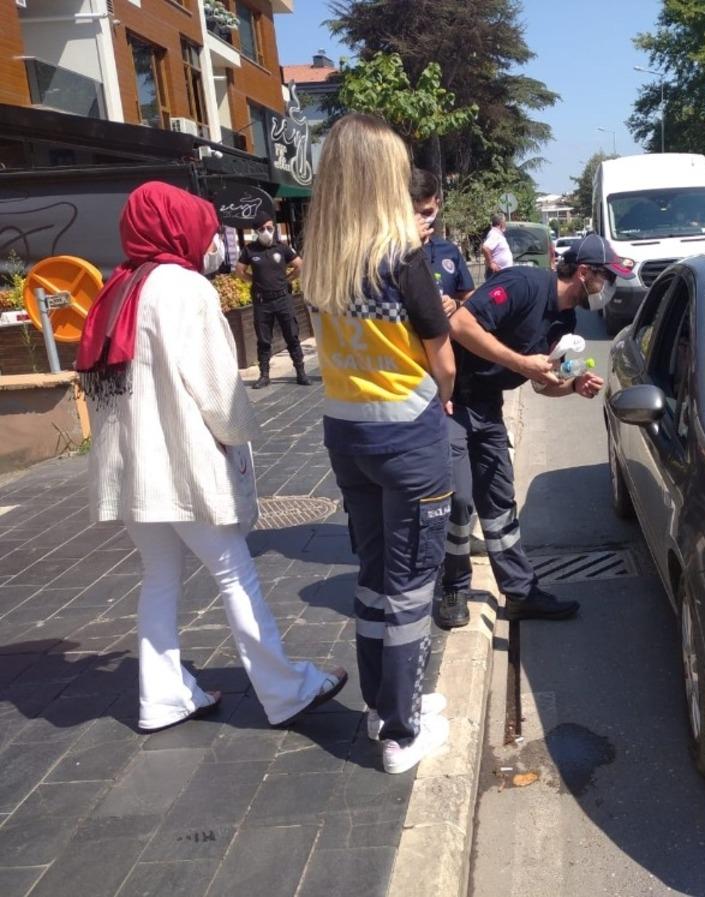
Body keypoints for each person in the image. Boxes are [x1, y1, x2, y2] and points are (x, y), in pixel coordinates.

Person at [77, 181, 346, 733]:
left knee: (159, 577)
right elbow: (218, 389)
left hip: (132, 472)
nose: (211, 240)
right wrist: (238, 438)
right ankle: (284, 688)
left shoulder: (119, 287)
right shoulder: (184, 288)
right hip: (180, 464)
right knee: (234, 574)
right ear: (178, 228)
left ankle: (161, 697)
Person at [301, 113, 458, 775]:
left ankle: (381, 705)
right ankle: (401, 728)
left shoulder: (323, 260)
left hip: (348, 434)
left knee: (373, 578)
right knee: (410, 587)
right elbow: (442, 357)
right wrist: (443, 397)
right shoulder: (403, 256)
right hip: (410, 438)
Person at [438, 233, 629, 629]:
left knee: (499, 503)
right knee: (458, 502)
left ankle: (522, 594)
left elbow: (545, 381)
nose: (609, 286)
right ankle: (454, 586)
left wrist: (572, 385)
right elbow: (459, 323)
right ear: (582, 272)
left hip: (488, 405)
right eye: (605, 277)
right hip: (452, 401)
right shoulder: (522, 284)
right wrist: (521, 363)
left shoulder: (566, 319)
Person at [237, 210, 309, 389]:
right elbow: (239, 270)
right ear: (256, 231)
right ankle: (264, 375)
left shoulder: (282, 247)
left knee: (292, 335)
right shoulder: (249, 250)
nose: (267, 231)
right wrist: (254, 281)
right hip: (263, 302)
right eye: (262, 228)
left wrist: (288, 279)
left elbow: (299, 265)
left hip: (282, 298)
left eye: (270, 227)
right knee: (264, 340)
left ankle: (301, 372)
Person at [410, 168, 475, 314]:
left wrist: (455, 304)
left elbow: (471, 298)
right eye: (412, 213)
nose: (420, 220)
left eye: (426, 212)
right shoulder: (389, 254)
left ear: (437, 204)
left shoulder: (448, 250)